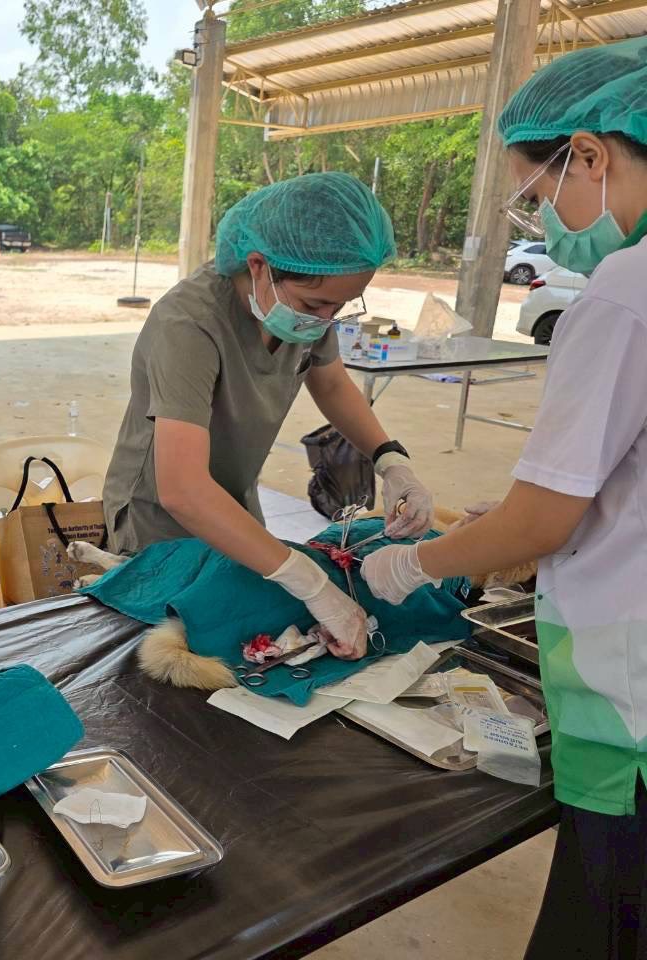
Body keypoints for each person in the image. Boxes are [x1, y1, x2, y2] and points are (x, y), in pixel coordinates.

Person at [360, 36, 647, 960]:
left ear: (589, 155)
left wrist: (413, 563)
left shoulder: (624, 290)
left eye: (537, 196)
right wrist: (516, 520)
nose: (545, 223)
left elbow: (547, 515)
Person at [102, 172, 434, 661]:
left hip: (233, 502)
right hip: (159, 522)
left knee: (248, 633)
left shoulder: (299, 307)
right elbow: (183, 490)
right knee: (174, 651)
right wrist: (312, 585)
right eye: (317, 304)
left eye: (339, 306)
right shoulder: (189, 325)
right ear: (258, 266)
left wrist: (392, 462)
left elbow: (331, 382)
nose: (325, 319)